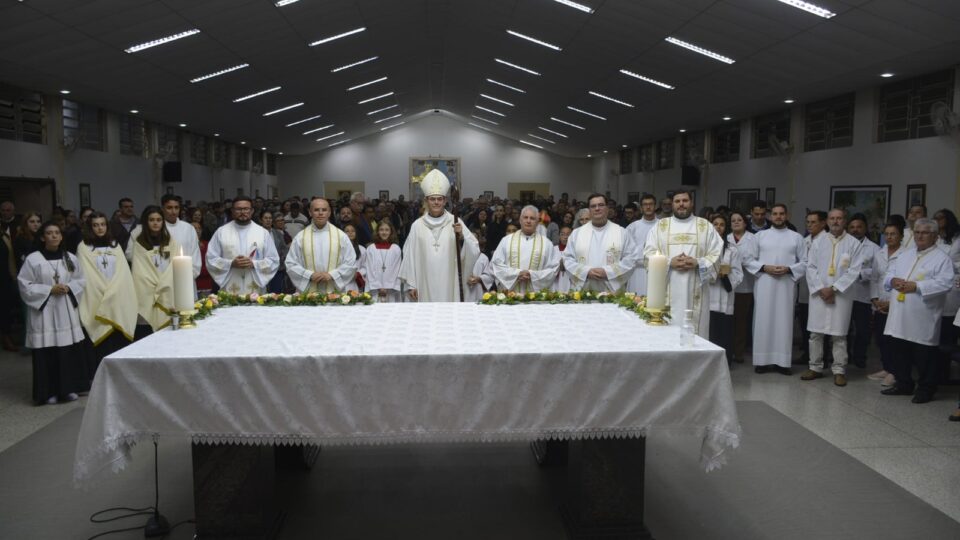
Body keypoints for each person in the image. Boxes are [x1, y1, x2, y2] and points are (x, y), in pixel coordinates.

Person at [881, 218, 955, 404]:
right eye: (917, 232)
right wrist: (892, 281)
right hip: (900, 314)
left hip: (923, 315)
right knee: (900, 351)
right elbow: (889, 274)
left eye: (925, 232)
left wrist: (918, 286)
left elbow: (945, 283)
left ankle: (926, 388)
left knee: (924, 356)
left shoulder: (942, 258)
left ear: (936, 236)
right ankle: (904, 384)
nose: (920, 236)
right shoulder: (905, 254)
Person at [17, 221, 87, 405]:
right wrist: (49, 290)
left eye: (57, 232)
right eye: (49, 233)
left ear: (61, 236)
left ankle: (68, 389)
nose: (54, 236)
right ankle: (47, 393)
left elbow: (80, 280)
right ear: (42, 237)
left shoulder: (70, 257)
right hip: (44, 314)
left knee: (65, 353)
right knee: (46, 354)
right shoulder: (33, 259)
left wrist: (68, 287)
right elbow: (24, 284)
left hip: (64, 310)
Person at [643, 190, 723, 338]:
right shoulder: (661, 226)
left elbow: (717, 253)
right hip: (667, 287)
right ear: (672, 204)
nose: (681, 204)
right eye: (677, 201)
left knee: (696, 334)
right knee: (667, 335)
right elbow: (648, 253)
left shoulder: (705, 226)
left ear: (692, 203)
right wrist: (668, 262)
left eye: (685, 201)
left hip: (697, 286)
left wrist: (698, 262)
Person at [800, 209, 864, 387]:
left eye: (839, 218)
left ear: (845, 221)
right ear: (827, 221)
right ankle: (815, 367)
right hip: (819, 293)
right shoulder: (818, 242)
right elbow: (810, 267)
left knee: (839, 335)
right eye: (832, 218)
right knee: (815, 333)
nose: (836, 222)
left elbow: (854, 270)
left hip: (841, 295)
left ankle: (839, 370)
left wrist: (834, 289)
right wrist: (821, 289)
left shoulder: (853, 244)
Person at [399, 170, 480, 302]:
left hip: (449, 281)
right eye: (432, 199)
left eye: (439, 199)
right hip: (423, 280)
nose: (436, 202)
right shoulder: (417, 226)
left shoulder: (456, 222)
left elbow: (474, 249)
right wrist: (411, 284)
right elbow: (409, 256)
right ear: (426, 201)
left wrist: (462, 238)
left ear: (445, 201)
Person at [744, 204, 805, 375]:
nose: (778, 217)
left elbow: (806, 262)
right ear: (770, 216)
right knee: (763, 319)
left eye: (781, 214)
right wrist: (764, 267)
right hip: (765, 283)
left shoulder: (796, 237)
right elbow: (748, 259)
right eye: (775, 214)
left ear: (787, 215)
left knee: (784, 321)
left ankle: (783, 362)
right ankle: (762, 361)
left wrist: (789, 269)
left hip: (786, 284)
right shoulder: (760, 237)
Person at [77, 212, 136, 382]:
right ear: (90, 227)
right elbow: (87, 274)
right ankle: (98, 376)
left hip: (116, 297)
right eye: (95, 225)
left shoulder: (114, 245)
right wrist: (105, 293)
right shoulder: (84, 246)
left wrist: (114, 292)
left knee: (116, 339)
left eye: (102, 224)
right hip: (97, 298)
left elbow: (122, 272)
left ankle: (120, 374)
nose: (100, 228)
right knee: (101, 337)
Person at [563, 194, 638, 293]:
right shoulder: (577, 234)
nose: (597, 208)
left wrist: (608, 272)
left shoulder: (621, 233)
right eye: (593, 206)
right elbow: (567, 259)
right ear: (589, 210)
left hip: (612, 293)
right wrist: (586, 272)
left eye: (601, 205)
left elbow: (631, 259)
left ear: (607, 209)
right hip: (583, 293)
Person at [206, 196, 280, 296]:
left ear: (252, 211)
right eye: (238, 209)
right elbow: (211, 259)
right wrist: (231, 263)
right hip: (230, 288)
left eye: (246, 209)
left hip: (255, 290)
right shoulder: (221, 232)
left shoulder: (263, 233)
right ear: (232, 211)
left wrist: (254, 264)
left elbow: (273, 260)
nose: (242, 212)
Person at [286, 197, 358, 294]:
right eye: (316, 210)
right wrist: (309, 275)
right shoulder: (300, 237)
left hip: (334, 292)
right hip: (308, 293)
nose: (320, 213)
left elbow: (351, 262)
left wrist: (332, 275)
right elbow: (291, 263)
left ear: (329, 212)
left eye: (324, 210)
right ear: (310, 212)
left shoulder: (341, 236)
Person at [126, 194, 200, 279]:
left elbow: (195, 256)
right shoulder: (144, 229)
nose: (173, 211)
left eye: (176, 207)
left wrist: (187, 276)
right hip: (149, 277)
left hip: (183, 277)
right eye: (169, 207)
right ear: (162, 208)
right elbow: (130, 254)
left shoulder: (188, 228)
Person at [490, 205, 559, 294]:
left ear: (537, 222)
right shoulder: (506, 240)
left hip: (536, 298)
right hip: (510, 297)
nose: (528, 221)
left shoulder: (547, 244)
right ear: (520, 220)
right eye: (525, 217)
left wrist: (532, 275)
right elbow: (496, 264)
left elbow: (553, 269)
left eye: (532, 218)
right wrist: (516, 274)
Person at [131, 206, 179, 333]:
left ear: (163, 222)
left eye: (159, 220)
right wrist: (158, 286)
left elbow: (175, 266)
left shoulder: (170, 242)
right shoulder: (139, 243)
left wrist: (164, 284)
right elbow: (140, 273)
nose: (156, 223)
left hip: (168, 290)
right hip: (149, 293)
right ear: (146, 222)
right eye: (151, 220)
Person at [868, 222, 904, 387]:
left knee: (893, 340)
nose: (889, 237)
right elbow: (874, 278)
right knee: (881, 339)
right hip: (880, 303)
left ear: (901, 236)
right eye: (887, 234)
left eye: (893, 234)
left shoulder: (906, 255)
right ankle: (886, 367)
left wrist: (891, 303)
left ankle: (895, 371)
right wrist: (875, 299)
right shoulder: (879, 254)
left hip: (896, 303)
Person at [708, 214, 742, 363]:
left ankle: (724, 361)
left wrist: (725, 278)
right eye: (715, 224)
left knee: (725, 329)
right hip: (709, 292)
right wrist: (711, 275)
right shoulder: (704, 248)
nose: (718, 227)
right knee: (710, 329)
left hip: (724, 293)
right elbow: (699, 268)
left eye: (722, 224)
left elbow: (738, 273)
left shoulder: (732, 249)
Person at [846, 213, 880, 368]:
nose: (855, 230)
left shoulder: (874, 249)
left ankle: (859, 357)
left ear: (865, 228)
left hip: (863, 296)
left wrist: (859, 273)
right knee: (843, 329)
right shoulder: (843, 245)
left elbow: (877, 272)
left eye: (859, 227)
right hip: (845, 294)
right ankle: (844, 356)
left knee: (862, 331)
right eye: (852, 227)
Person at [796, 211, 827, 364]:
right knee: (805, 322)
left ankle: (823, 356)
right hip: (804, 289)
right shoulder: (804, 240)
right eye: (807, 222)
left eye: (813, 222)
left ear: (823, 223)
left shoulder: (827, 240)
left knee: (821, 325)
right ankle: (807, 354)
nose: (809, 225)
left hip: (821, 289)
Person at [728, 211, 757, 364]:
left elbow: (754, 260)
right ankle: (728, 349)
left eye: (739, 220)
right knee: (729, 320)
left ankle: (739, 352)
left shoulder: (753, 239)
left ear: (745, 223)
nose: (736, 222)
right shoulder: (725, 238)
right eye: (733, 220)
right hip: (728, 286)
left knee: (741, 321)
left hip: (745, 286)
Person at [625, 194, 659, 295]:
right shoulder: (632, 227)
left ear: (655, 206)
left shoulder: (662, 225)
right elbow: (626, 251)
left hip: (657, 271)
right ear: (641, 207)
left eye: (651, 204)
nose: (648, 207)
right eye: (645, 204)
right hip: (637, 272)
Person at [363, 221, 402, 302]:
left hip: (391, 290)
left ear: (391, 232)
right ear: (377, 232)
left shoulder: (396, 249)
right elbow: (369, 269)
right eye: (381, 230)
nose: (384, 232)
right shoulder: (371, 248)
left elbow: (396, 270)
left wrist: (387, 287)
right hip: (375, 290)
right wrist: (378, 287)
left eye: (387, 230)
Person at [343, 223, 366, 291]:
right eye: (347, 231)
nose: (350, 233)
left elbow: (365, 266)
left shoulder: (362, 249)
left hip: (356, 281)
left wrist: (358, 274)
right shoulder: (339, 249)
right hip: (343, 282)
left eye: (353, 231)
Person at [553, 226, 572, 293]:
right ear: (559, 236)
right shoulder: (553, 250)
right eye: (562, 234)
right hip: (557, 283)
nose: (565, 237)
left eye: (568, 234)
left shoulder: (574, 250)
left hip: (570, 283)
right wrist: (559, 265)